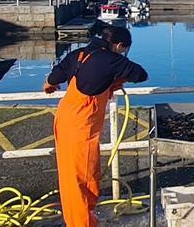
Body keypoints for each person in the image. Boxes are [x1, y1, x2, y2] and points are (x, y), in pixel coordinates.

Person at [45, 25, 148, 227]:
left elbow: (54, 77)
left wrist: (49, 84)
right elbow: (140, 74)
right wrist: (117, 77)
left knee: (73, 177)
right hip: (81, 127)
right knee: (81, 179)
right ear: (118, 45)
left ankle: (84, 217)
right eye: (123, 49)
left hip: (65, 119)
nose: (123, 53)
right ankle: (82, 223)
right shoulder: (111, 60)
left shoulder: (79, 54)